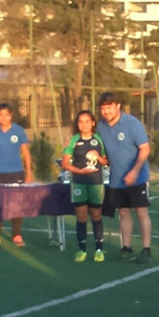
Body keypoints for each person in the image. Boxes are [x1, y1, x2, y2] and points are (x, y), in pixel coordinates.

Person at [96, 92, 153, 264]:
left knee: (141, 211)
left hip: (137, 178)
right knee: (123, 212)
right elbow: (104, 155)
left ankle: (146, 249)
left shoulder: (131, 123)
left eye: (109, 107)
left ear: (117, 106)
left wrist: (135, 171)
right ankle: (126, 247)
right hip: (116, 179)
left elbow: (145, 149)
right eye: (103, 108)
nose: (106, 111)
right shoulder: (101, 127)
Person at [0, 103, 33, 247]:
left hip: (16, 172)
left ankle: (17, 235)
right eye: (0, 115)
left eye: (6, 115)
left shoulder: (19, 130)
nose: (3, 118)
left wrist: (29, 173)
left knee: (16, 204)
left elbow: (26, 154)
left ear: (11, 116)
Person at [61, 110, 108, 262]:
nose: (84, 124)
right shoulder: (74, 140)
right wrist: (79, 171)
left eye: (87, 121)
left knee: (96, 215)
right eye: (81, 121)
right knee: (81, 216)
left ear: (93, 123)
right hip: (79, 183)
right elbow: (65, 163)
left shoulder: (99, 139)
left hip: (96, 182)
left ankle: (99, 249)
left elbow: (106, 161)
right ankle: (82, 250)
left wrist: (98, 157)